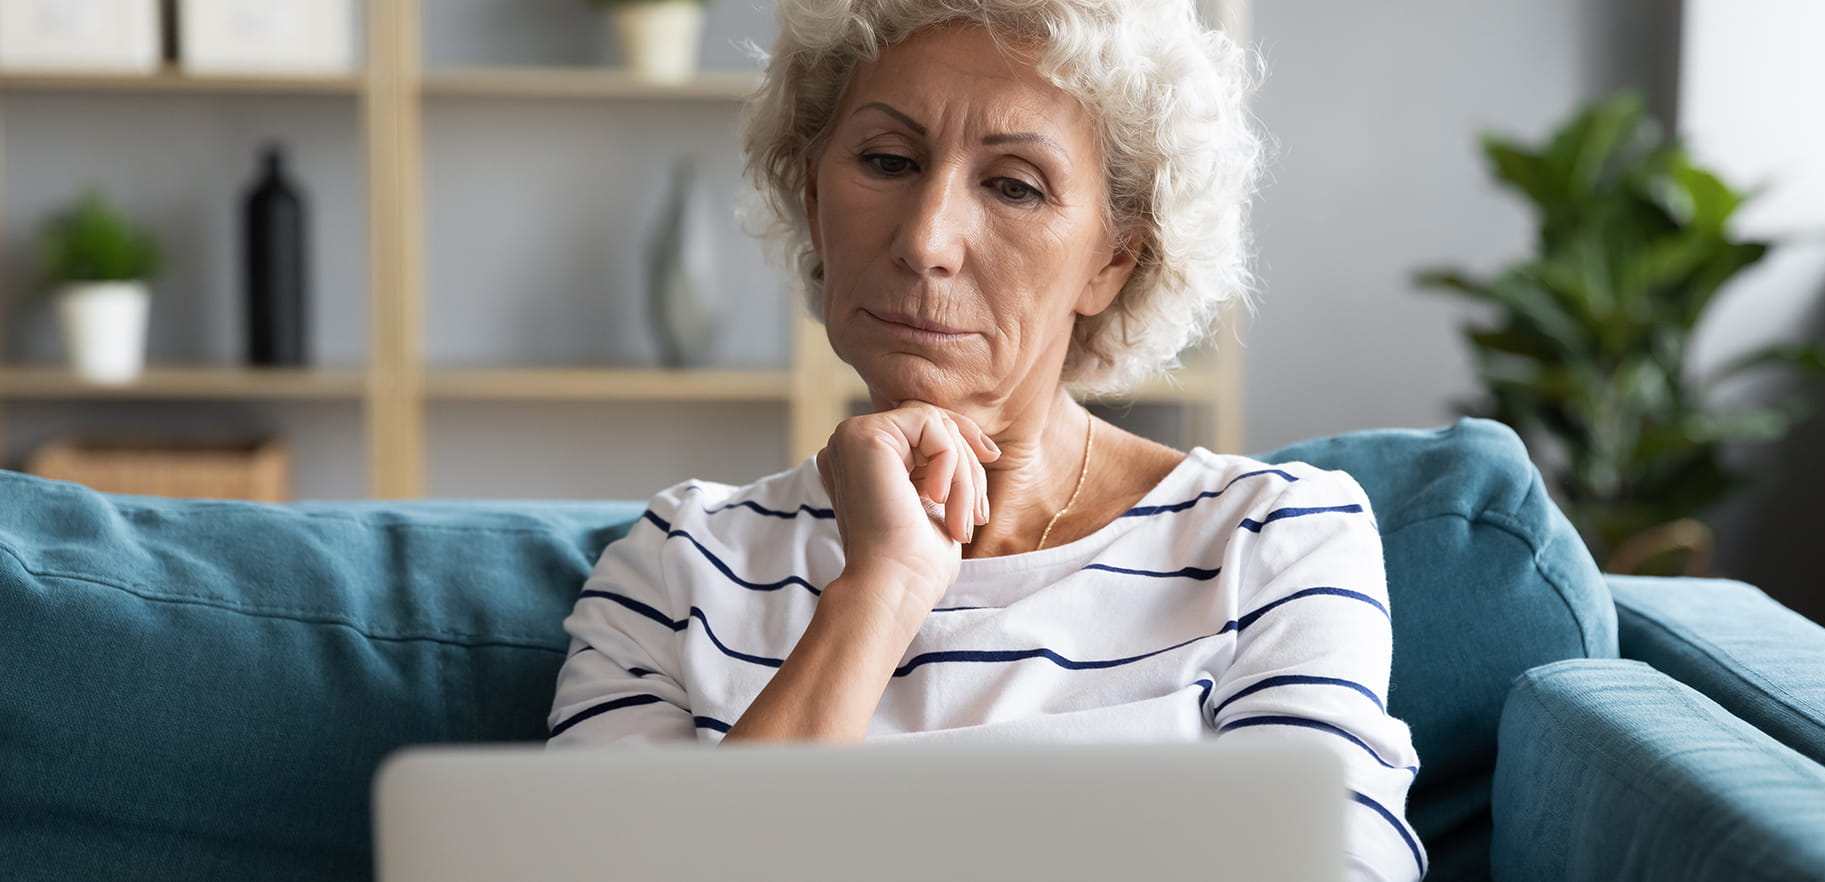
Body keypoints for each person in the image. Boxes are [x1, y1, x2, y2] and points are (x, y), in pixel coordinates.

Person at [548, 1, 1424, 878]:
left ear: (1113, 257)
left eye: (1014, 185)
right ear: (814, 202)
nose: (926, 238)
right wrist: (880, 592)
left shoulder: (1276, 542)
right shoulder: (676, 563)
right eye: (887, 162)